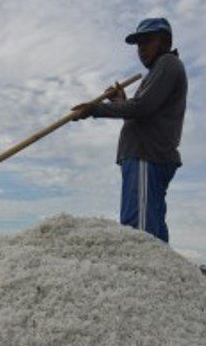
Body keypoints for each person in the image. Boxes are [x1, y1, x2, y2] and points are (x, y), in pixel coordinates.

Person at [72, 17, 187, 243]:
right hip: (144, 156)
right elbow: (141, 111)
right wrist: (120, 102)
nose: (141, 49)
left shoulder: (167, 64)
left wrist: (96, 109)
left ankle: (145, 277)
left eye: (147, 41)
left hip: (146, 156)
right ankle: (159, 277)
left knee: (140, 233)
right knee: (150, 229)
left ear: (164, 41)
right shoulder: (157, 72)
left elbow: (142, 108)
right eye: (138, 44)